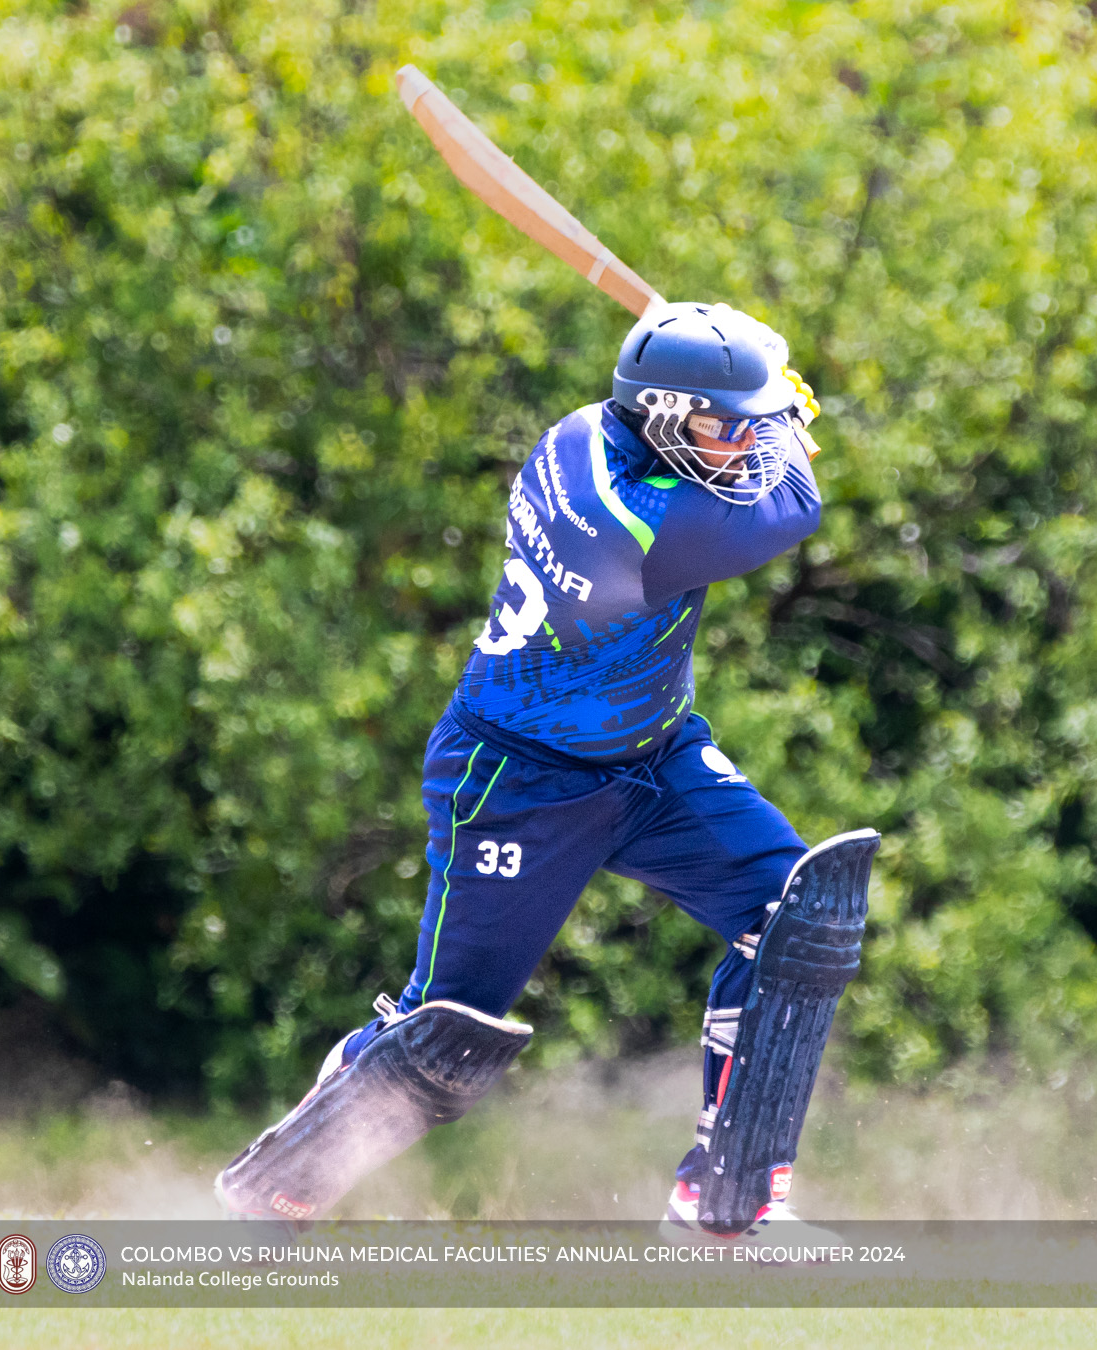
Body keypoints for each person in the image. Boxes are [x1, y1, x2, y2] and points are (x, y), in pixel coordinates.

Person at [215, 303, 878, 1240]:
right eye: (718, 427)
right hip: (517, 782)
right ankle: (267, 1200)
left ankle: (722, 1211)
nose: (737, 446)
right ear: (656, 416)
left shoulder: (584, 431)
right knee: (443, 1037)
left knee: (794, 922)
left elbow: (730, 448)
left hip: (652, 760)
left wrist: (744, 391)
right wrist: (792, 414)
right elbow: (789, 503)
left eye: (739, 427)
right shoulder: (641, 522)